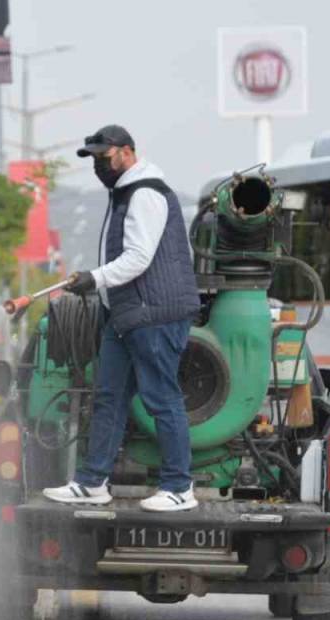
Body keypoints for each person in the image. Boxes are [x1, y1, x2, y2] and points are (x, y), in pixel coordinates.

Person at [42, 125, 202, 512]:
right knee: (110, 399)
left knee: (161, 399)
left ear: (128, 152)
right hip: (127, 314)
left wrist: (94, 279)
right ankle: (92, 482)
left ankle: (180, 487)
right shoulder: (125, 194)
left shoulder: (145, 193)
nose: (99, 164)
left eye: (104, 156)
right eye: (94, 158)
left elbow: (138, 258)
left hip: (153, 313)